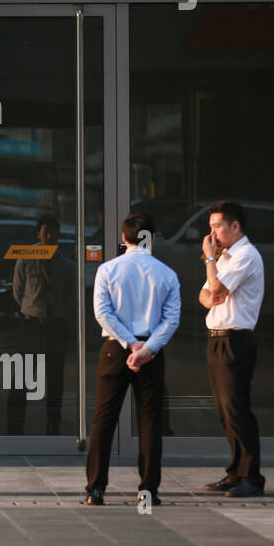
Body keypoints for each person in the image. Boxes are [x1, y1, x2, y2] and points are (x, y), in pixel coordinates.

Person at [84, 211, 181, 506]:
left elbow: (103, 313)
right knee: (150, 421)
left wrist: (129, 344)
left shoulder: (108, 270)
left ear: (122, 239)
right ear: (151, 238)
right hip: (152, 353)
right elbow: (171, 318)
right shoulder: (166, 273)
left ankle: (96, 489)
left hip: (116, 349)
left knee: (104, 418)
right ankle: (148, 492)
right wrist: (148, 348)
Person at [198, 200, 266, 497]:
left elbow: (214, 289)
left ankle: (251, 476)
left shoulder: (245, 256)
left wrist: (209, 261)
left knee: (237, 409)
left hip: (235, 340)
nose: (211, 235)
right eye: (210, 227)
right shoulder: (224, 257)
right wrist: (213, 276)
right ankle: (236, 472)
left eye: (216, 227)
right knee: (225, 412)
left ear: (235, 226)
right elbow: (204, 295)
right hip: (216, 336)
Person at [9, 213, 71, 435]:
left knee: (55, 378)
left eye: (53, 231)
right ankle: (15, 424)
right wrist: (32, 308)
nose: (49, 235)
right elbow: (17, 291)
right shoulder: (26, 256)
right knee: (23, 376)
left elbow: (69, 294)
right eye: (45, 231)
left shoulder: (64, 262)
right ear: (38, 233)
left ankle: (53, 423)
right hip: (31, 324)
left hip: (55, 326)